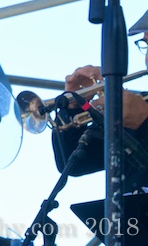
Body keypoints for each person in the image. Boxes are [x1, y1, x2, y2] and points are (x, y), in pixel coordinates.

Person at [53, 11, 148, 191]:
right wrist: (75, 106)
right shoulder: (141, 104)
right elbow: (74, 163)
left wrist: (144, 123)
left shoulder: (141, 110)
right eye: (147, 44)